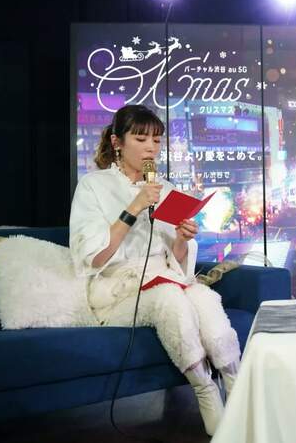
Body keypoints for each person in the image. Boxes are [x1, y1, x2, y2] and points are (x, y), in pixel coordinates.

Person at [69, 104, 239, 436]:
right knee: (169, 297)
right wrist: (134, 206)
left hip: (166, 277)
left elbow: (177, 260)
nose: (151, 148)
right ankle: (204, 388)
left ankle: (236, 384)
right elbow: (95, 257)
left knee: (204, 297)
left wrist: (182, 239)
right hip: (117, 290)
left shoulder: (165, 188)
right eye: (141, 138)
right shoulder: (93, 186)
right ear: (117, 142)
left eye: (157, 141)